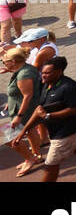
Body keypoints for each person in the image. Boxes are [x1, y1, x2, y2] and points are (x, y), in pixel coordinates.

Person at [4, 47, 44, 177]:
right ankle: (36, 155)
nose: (4, 63)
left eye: (5, 61)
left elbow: (27, 96)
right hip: (26, 109)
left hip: (23, 111)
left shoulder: (23, 75)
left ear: (14, 61)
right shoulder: (26, 69)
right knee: (31, 131)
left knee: (9, 137)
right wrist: (9, 70)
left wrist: (19, 116)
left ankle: (30, 159)